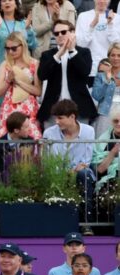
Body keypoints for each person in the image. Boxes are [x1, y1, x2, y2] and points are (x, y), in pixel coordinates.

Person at [43, 100, 97, 233]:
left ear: (72, 117)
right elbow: (47, 161)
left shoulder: (89, 131)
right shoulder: (49, 133)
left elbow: (86, 160)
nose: (56, 121)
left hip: (81, 172)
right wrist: (67, 172)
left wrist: (76, 170)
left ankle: (86, 224)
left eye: (60, 118)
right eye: (56, 118)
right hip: (57, 173)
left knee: (84, 175)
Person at [37, 20, 95, 127]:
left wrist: (72, 50)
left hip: (79, 107)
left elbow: (85, 72)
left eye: (63, 32)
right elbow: (42, 75)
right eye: (56, 33)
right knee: (52, 142)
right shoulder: (47, 55)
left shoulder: (84, 52)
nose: (60, 35)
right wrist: (58, 55)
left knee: (81, 141)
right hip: (52, 108)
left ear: (72, 32)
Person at [0, 32, 42, 138]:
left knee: (32, 138)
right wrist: (8, 80)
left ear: (23, 46)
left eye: (14, 48)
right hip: (10, 106)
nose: (10, 51)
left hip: (29, 107)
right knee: (8, 139)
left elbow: (38, 91)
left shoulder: (34, 63)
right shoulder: (5, 65)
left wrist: (19, 82)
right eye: (7, 48)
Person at [0, 0, 37, 96]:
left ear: (16, 4)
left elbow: (33, 45)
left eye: (10, 0)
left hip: (22, 69)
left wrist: (27, 28)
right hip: (1, 68)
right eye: (4, 1)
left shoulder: (23, 23)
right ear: (0, 6)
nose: (7, 3)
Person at [75, 0, 120, 78]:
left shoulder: (116, 18)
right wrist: (92, 26)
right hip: (90, 69)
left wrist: (110, 25)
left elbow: (117, 45)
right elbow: (80, 44)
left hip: (111, 70)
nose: (102, 1)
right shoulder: (83, 16)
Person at [91, 46, 120, 137]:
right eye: (113, 55)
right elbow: (96, 95)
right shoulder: (101, 75)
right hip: (105, 112)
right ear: (108, 57)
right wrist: (107, 81)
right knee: (102, 141)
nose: (116, 58)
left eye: (119, 55)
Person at [92, 107, 120, 193]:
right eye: (116, 121)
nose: (119, 124)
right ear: (111, 122)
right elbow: (99, 170)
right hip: (107, 183)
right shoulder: (103, 140)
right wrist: (112, 153)